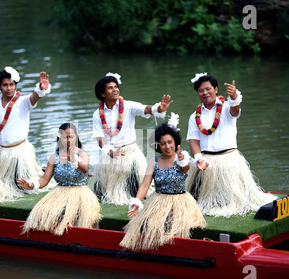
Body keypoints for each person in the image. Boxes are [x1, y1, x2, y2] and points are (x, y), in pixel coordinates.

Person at [185, 73, 276, 217]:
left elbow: (235, 111)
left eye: (208, 89)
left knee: (237, 203)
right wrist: (198, 159)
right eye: (201, 91)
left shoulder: (227, 108)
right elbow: (193, 141)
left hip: (229, 161)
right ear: (198, 93)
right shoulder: (194, 116)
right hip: (205, 163)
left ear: (216, 89)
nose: (205, 93)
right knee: (196, 203)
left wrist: (234, 98)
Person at [120, 121, 206, 251]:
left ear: (175, 142)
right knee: (147, 225)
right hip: (158, 201)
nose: (167, 146)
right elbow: (145, 184)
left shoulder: (182, 159)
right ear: (158, 146)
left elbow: (186, 167)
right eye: (163, 143)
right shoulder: (153, 162)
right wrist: (137, 201)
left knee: (173, 227)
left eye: (170, 142)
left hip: (180, 203)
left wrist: (182, 159)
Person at [92, 72, 173, 205]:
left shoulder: (128, 106)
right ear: (102, 93)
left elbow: (145, 109)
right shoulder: (97, 114)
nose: (115, 89)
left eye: (116, 87)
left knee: (134, 191)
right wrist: (109, 151)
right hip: (110, 155)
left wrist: (158, 108)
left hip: (130, 154)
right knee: (103, 195)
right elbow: (99, 137)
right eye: (110, 88)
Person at [18, 122, 101, 236]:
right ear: (59, 138)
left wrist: (73, 158)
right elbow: (44, 179)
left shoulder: (82, 154)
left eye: (70, 137)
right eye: (64, 137)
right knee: (42, 212)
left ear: (76, 137)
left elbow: (84, 168)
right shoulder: (54, 157)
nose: (68, 140)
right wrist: (32, 185)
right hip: (59, 193)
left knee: (81, 216)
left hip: (81, 194)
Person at [0, 66, 52, 197]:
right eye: (5, 85)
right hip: (0, 153)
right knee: (0, 189)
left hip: (19, 153)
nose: (9, 88)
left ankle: (39, 173)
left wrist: (41, 89)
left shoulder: (22, 102)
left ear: (15, 85)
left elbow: (33, 97)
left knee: (23, 188)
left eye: (11, 84)